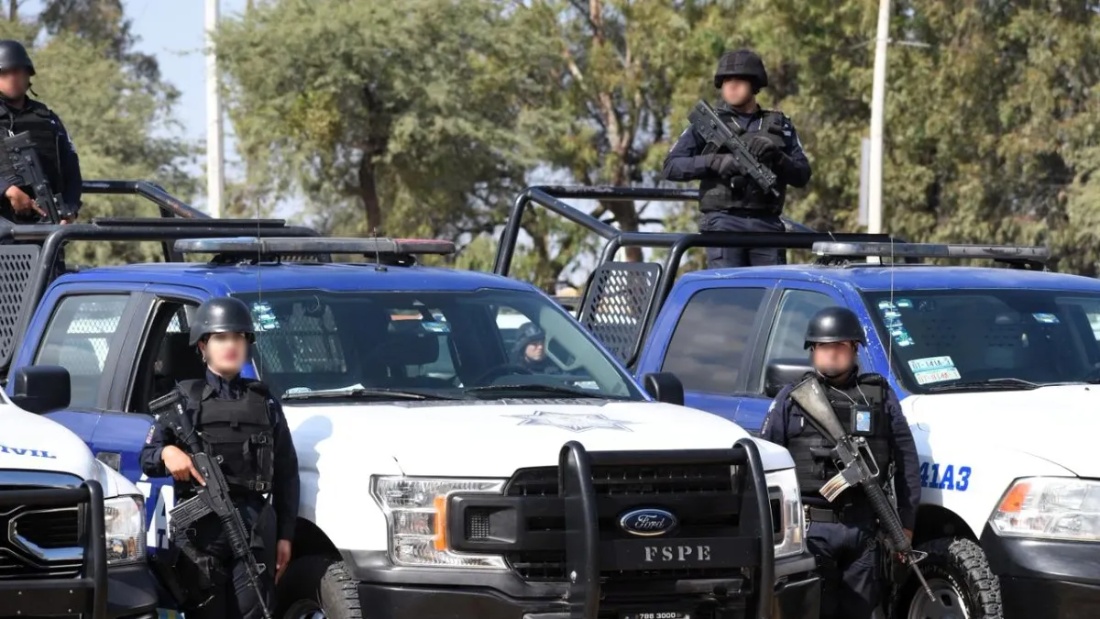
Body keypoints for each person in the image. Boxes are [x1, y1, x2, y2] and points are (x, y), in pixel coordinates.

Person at [140, 297, 299, 619]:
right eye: (221, 337)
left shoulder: (264, 402)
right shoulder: (183, 401)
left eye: (239, 337)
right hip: (202, 534)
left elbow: (286, 472)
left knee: (256, 612)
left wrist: (285, 534)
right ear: (203, 346)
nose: (231, 345)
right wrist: (168, 452)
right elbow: (148, 457)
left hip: (253, 530)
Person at [760, 306, 920, 619]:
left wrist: (905, 524)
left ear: (854, 349)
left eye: (840, 346)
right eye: (823, 346)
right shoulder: (792, 399)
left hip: (864, 528)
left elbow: (906, 462)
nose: (831, 353)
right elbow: (766, 466)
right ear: (812, 350)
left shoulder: (880, 396)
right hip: (810, 529)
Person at [662, 49, 811, 268]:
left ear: (755, 84)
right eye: (726, 81)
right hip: (724, 222)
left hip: (766, 224)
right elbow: (671, 166)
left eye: (740, 80)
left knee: (769, 289)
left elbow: (802, 175)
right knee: (728, 289)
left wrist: (778, 157)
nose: (732, 86)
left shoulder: (780, 126)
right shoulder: (707, 124)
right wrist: (713, 163)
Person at [0, 39, 82, 223]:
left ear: (28, 74)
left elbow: (71, 168)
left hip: (47, 221)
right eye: (3, 73)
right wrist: (7, 190)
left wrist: (70, 209)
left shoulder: (47, 118)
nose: (11, 78)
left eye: (17, 71)